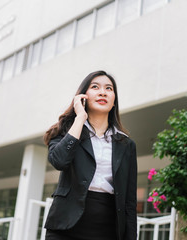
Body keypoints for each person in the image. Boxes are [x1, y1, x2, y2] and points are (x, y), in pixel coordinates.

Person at [43, 70, 137, 240]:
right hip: (65, 228)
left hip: (107, 229)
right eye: (95, 87)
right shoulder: (66, 131)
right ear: (83, 96)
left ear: (114, 100)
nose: (102, 92)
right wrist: (80, 118)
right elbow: (59, 161)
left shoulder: (126, 144)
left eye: (109, 88)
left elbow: (129, 201)